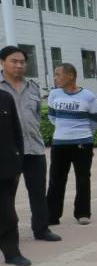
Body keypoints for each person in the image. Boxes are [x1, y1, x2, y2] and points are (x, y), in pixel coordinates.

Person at [0, 46, 60, 242]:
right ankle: (7, 235)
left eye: (22, 62)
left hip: (34, 148)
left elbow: (36, 115)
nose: (19, 65)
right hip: (7, 151)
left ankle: (41, 229)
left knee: (38, 192)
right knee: (6, 196)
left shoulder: (33, 87)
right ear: (2, 62)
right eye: (14, 61)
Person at [46, 63, 97, 226]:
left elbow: (96, 120)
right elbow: (52, 117)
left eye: (58, 74)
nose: (55, 78)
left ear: (70, 75)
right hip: (59, 143)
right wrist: (65, 131)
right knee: (56, 179)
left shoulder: (88, 96)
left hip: (82, 143)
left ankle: (83, 213)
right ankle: (52, 215)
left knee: (83, 178)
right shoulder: (54, 94)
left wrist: (81, 132)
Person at [0, 85, 29, 266]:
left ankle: (12, 253)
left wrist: (18, 163)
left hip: (5, 166)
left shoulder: (5, 98)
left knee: (7, 212)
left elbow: (16, 132)